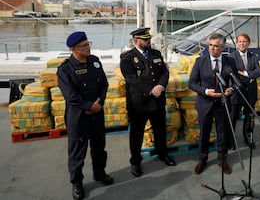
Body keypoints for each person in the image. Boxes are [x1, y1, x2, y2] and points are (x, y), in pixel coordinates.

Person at [57, 31, 113, 200]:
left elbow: (104, 83)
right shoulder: (65, 69)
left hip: (97, 114)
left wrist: (100, 103)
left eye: (89, 44)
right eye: (84, 46)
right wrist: (89, 106)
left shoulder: (95, 62)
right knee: (77, 152)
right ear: (74, 49)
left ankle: (99, 172)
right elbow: (70, 95)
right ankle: (77, 183)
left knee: (98, 147)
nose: (88, 47)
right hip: (78, 117)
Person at [120, 27, 176, 178]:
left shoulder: (156, 53)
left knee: (160, 129)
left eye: (149, 39)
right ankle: (136, 161)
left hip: (157, 101)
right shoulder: (127, 57)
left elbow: (164, 72)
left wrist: (161, 85)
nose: (148, 41)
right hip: (139, 102)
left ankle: (162, 154)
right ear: (136, 41)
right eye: (145, 40)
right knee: (137, 134)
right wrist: (152, 89)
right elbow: (131, 79)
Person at [189, 33, 237, 175]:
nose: (212, 48)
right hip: (205, 103)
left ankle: (222, 159)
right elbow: (192, 83)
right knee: (204, 132)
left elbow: (236, 81)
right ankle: (202, 159)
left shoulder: (230, 62)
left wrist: (231, 89)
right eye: (210, 45)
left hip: (223, 103)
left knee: (222, 133)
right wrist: (205, 91)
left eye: (216, 46)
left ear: (222, 47)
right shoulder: (200, 62)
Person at [228, 33, 260, 149]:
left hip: (251, 92)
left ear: (248, 43)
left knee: (249, 116)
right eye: (240, 41)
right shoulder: (231, 57)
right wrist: (249, 76)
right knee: (233, 117)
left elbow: (259, 72)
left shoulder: (253, 57)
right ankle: (231, 140)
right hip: (237, 92)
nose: (242, 44)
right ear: (237, 43)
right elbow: (233, 74)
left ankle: (248, 137)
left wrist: (246, 73)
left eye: (245, 41)